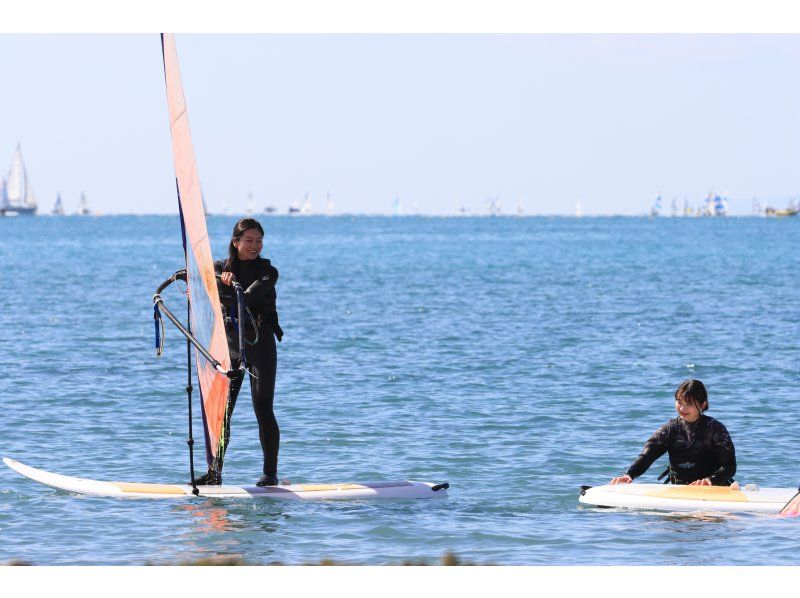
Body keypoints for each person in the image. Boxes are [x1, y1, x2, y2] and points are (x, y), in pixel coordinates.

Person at [194, 217, 284, 486]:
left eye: (259, 240)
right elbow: (198, 279)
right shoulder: (220, 268)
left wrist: (221, 285)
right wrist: (196, 284)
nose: (255, 245)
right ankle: (214, 473)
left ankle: (270, 474)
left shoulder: (269, 271)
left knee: (263, 409)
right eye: (249, 240)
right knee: (222, 411)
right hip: (230, 346)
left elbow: (247, 296)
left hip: (259, 345)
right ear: (235, 242)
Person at [609, 379, 736, 487]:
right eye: (679, 402)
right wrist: (629, 474)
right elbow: (647, 456)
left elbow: (729, 467)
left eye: (689, 404)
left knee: (705, 517)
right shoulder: (670, 429)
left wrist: (710, 481)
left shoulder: (715, 429)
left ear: (703, 405)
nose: (682, 408)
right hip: (680, 490)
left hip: (715, 489)